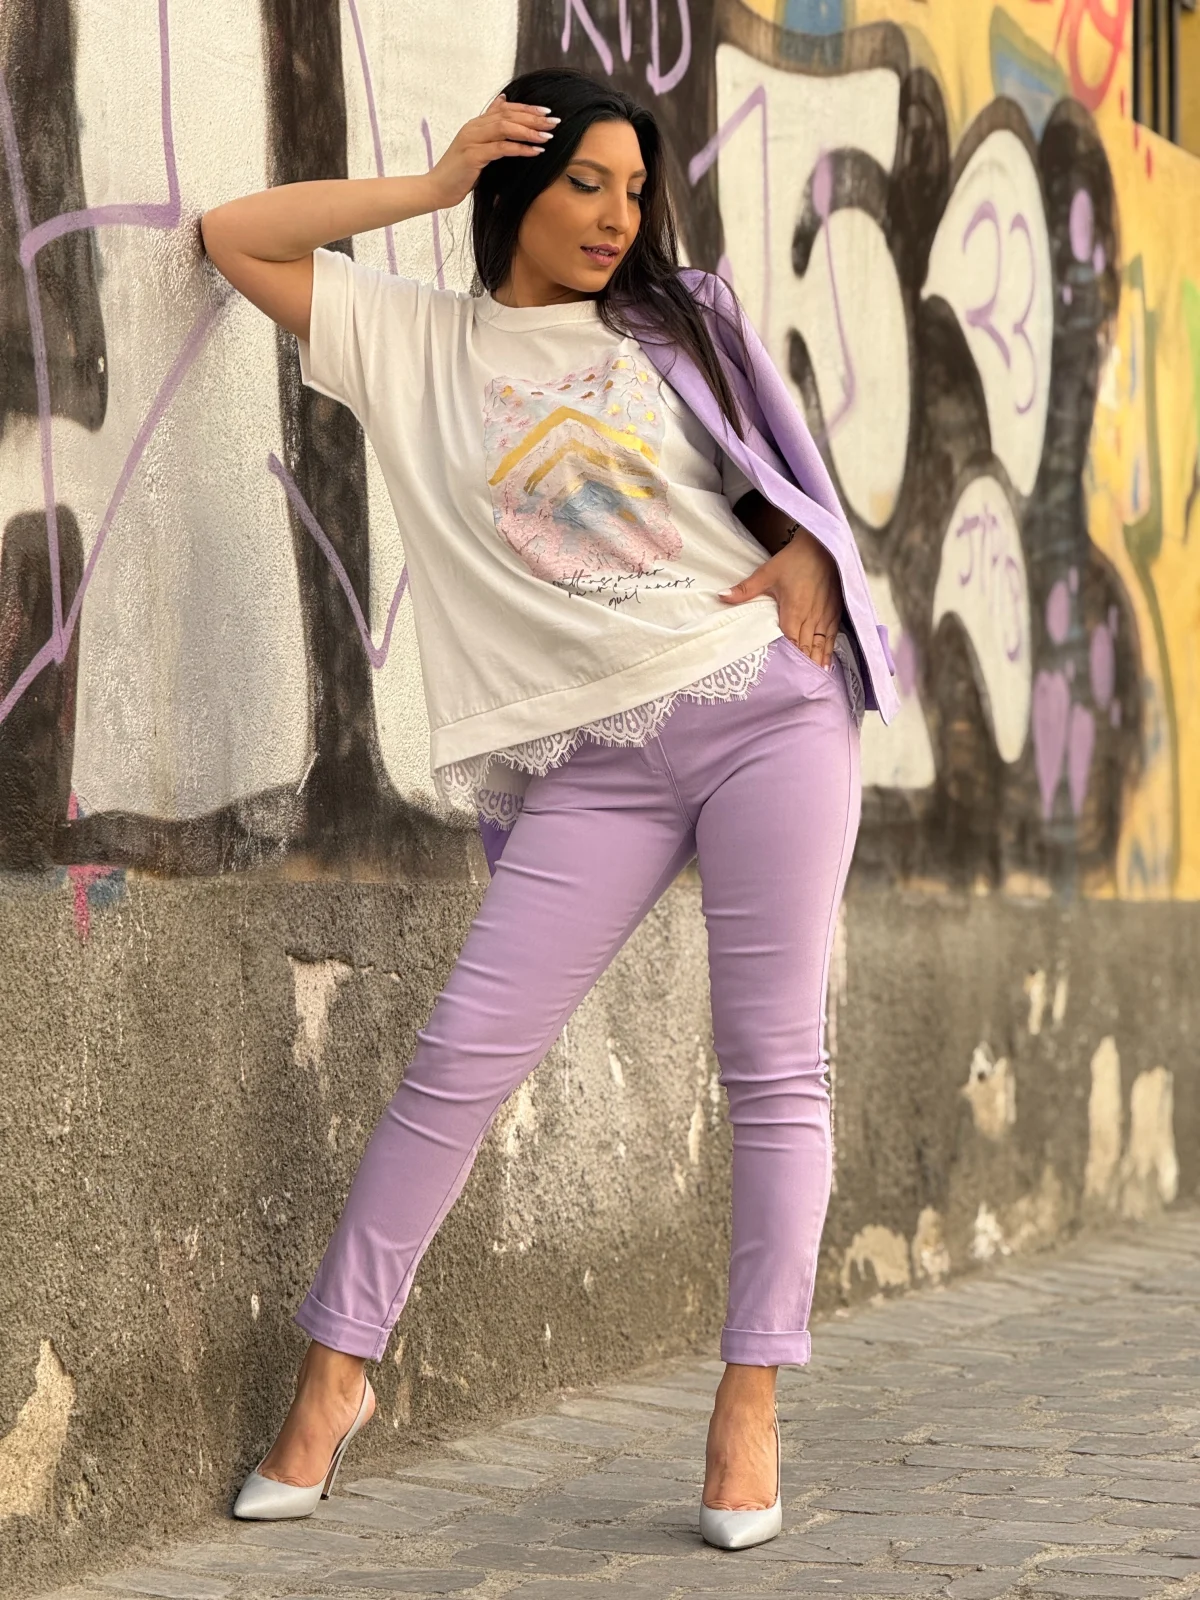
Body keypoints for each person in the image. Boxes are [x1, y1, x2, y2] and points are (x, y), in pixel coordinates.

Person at [200, 66, 896, 1552]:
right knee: (458, 1062)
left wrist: (810, 556)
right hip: (597, 761)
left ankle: (750, 1404)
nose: (616, 215)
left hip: (768, 709)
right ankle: (334, 1380)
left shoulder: (677, 318)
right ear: (514, 180)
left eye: (635, 191)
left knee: (774, 1066)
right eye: (586, 181)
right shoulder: (413, 341)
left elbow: (788, 483)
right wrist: (429, 184)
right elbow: (233, 233)